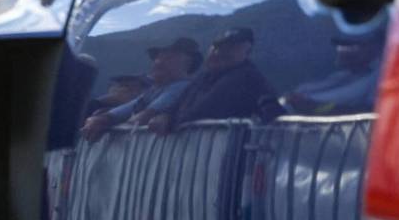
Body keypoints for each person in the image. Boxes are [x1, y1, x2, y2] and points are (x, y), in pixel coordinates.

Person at [144, 27, 272, 133]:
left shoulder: (246, 77)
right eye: (216, 48)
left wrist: (170, 121)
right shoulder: (203, 77)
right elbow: (179, 103)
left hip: (230, 156)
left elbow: (207, 109)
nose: (219, 53)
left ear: (246, 52)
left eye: (231, 49)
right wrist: (166, 115)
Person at [80, 37, 202, 141]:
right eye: (157, 57)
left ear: (187, 63)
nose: (158, 62)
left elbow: (146, 115)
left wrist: (112, 128)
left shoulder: (181, 87)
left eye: (168, 58)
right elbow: (129, 108)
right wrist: (102, 119)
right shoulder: (154, 90)